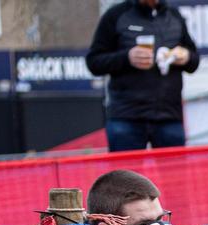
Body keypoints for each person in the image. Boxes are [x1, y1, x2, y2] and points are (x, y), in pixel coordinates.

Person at [85, 0, 200, 152]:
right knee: (126, 175)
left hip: (169, 116)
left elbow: (193, 61)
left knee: (172, 175)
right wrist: (126, 58)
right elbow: (94, 62)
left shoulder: (174, 15)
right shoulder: (116, 15)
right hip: (126, 117)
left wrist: (186, 57)